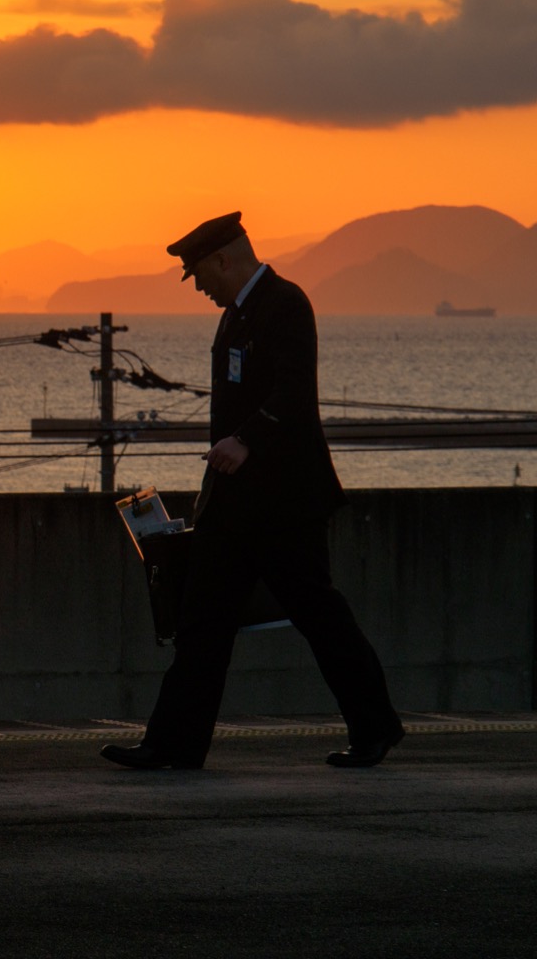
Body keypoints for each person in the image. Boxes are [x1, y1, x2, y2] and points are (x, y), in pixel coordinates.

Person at [102, 212, 405, 771]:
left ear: (224, 260)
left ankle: (376, 727)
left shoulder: (285, 303)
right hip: (235, 503)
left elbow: (294, 392)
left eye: (197, 272)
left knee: (320, 617)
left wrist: (244, 440)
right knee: (201, 624)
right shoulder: (238, 315)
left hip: (284, 505)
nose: (196, 285)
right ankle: (173, 744)